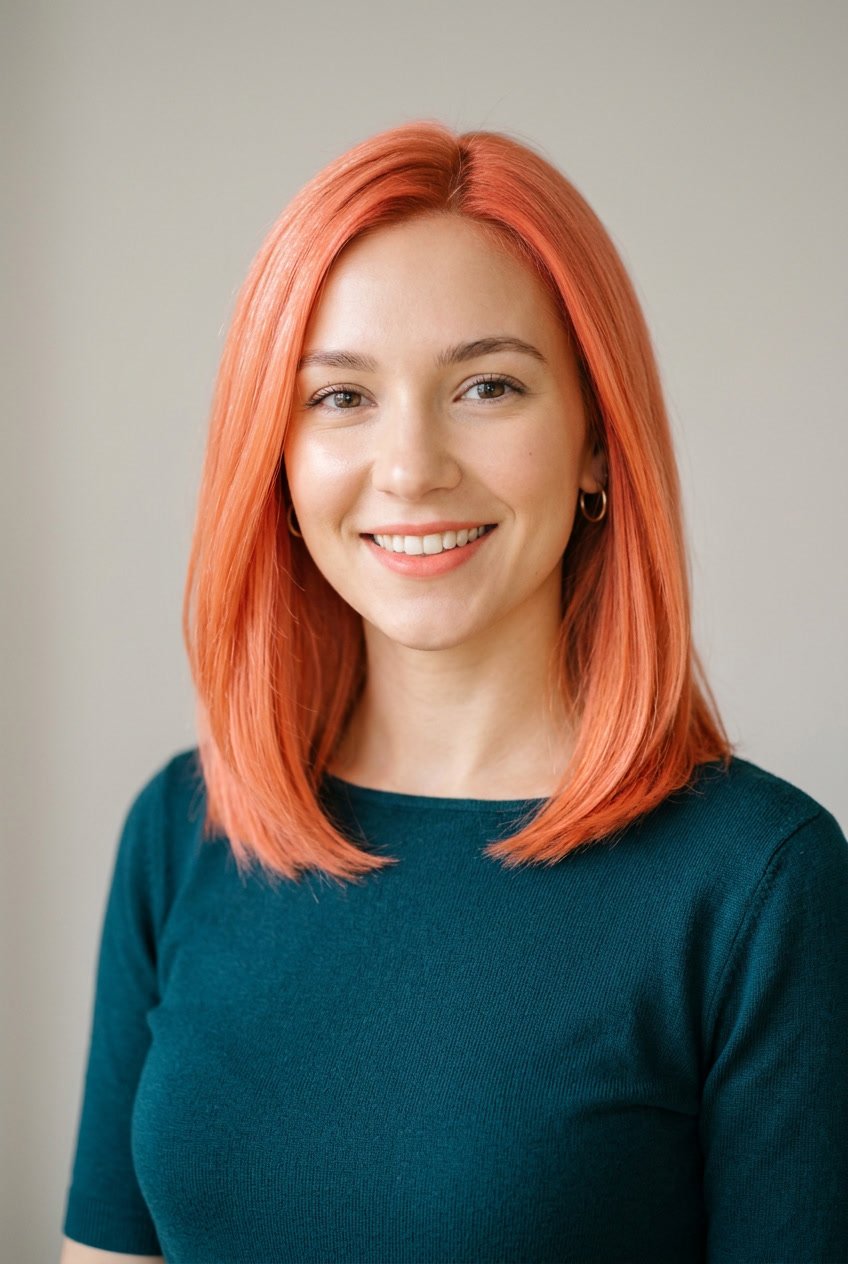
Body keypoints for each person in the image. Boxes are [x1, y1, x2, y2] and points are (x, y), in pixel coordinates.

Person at [60, 121, 848, 1263]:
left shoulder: (757, 884)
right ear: (273, 459)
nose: (411, 465)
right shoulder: (183, 830)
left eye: (486, 385)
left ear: (593, 441)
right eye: (339, 397)